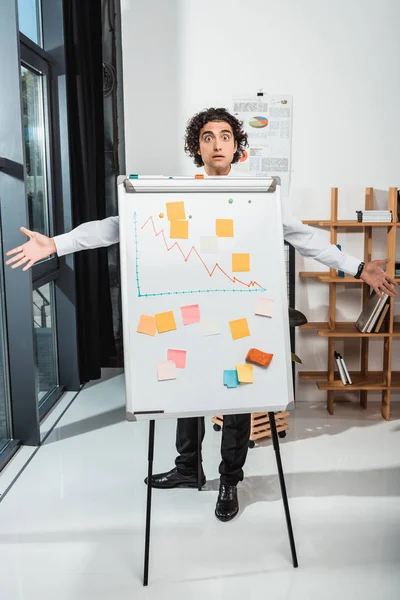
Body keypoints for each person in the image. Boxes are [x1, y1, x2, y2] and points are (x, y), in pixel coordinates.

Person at [6, 107, 397, 522]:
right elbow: (115, 226)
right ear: (197, 146)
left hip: (244, 316)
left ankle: (230, 478)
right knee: (185, 383)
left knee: (240, 393)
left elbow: (307, 239)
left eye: (225, 136)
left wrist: (358, 267)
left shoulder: (260, 198)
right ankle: (188, 467)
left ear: (237, 147)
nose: (216, 144)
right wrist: (57, 245)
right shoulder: (175, 194)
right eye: (207, 137)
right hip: (191, 312)